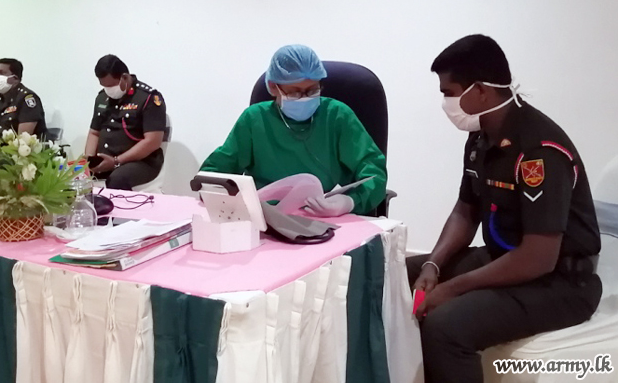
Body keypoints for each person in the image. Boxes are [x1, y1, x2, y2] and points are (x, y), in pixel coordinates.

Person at [407, 34, 602, 383]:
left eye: (449, 93)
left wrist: (454, 287)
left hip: (562, 282)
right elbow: (465, 210)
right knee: (398, 274)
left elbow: (538, 258)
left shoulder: (539, 151)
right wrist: (433, 265)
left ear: (480, 91)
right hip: (504, 258)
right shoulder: (481, 136)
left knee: (444, 327)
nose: (445, 103)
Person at [200, 44, 387, 216]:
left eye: (312, 90)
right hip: (265, 218)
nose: (304, 98)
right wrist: (221, 198)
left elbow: (373, 173)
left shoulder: (337, 116)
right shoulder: (255, 119)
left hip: (322, 216)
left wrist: (349, 202)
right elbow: (214, 174)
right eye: (295, 92)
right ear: (273, 87)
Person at [85, 54, 167, 190]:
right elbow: (94, 133)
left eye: (111, 86)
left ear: (124, 77)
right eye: (104, 86)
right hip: (107, 161)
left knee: (117, 179)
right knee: (74, 176)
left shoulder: (148, 98)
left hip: (141, 162)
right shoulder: (102, 98)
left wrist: (116, 161)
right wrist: (88, 161)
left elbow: (153, 141)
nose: (108, 91)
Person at [0, 58, 47, 146]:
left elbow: (24, 139)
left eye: (1, 73)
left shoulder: (26, 98)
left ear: (15, 78)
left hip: (22, 151)